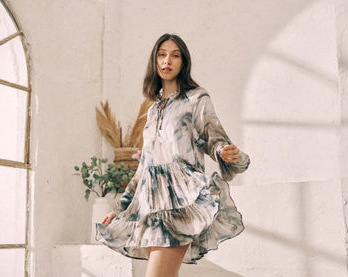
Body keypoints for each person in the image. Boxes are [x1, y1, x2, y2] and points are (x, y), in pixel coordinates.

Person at [96, 33, 250, 277]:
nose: (167, 60)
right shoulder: (153, 110)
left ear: (183, 62)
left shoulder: (197, 98)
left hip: (181, 200)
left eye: (175, 55)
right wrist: (120, 208)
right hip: (151, 203)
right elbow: (143, 169)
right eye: (162, 54)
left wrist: (225, 152)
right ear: (155, 61)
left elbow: (215, 139)